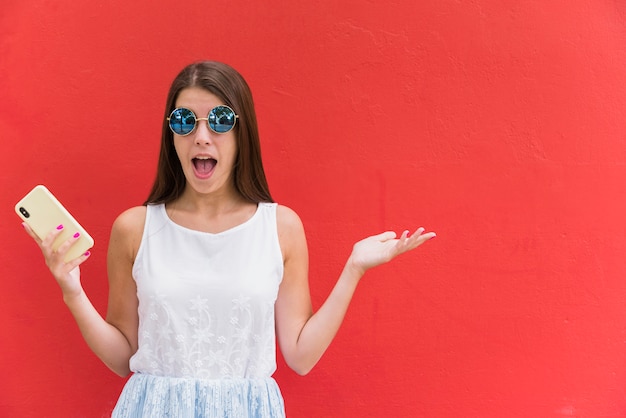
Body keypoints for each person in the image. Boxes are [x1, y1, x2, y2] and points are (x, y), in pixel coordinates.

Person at [21, 61, 436, 417]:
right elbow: (122, 358)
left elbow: (300, 356)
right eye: (185, 121)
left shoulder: (281, 228)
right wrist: (71, 291)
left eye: (219, 120)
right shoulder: (135, 228)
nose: (202, 136)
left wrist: (353, 269)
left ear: (242, 134)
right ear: (171, 135)